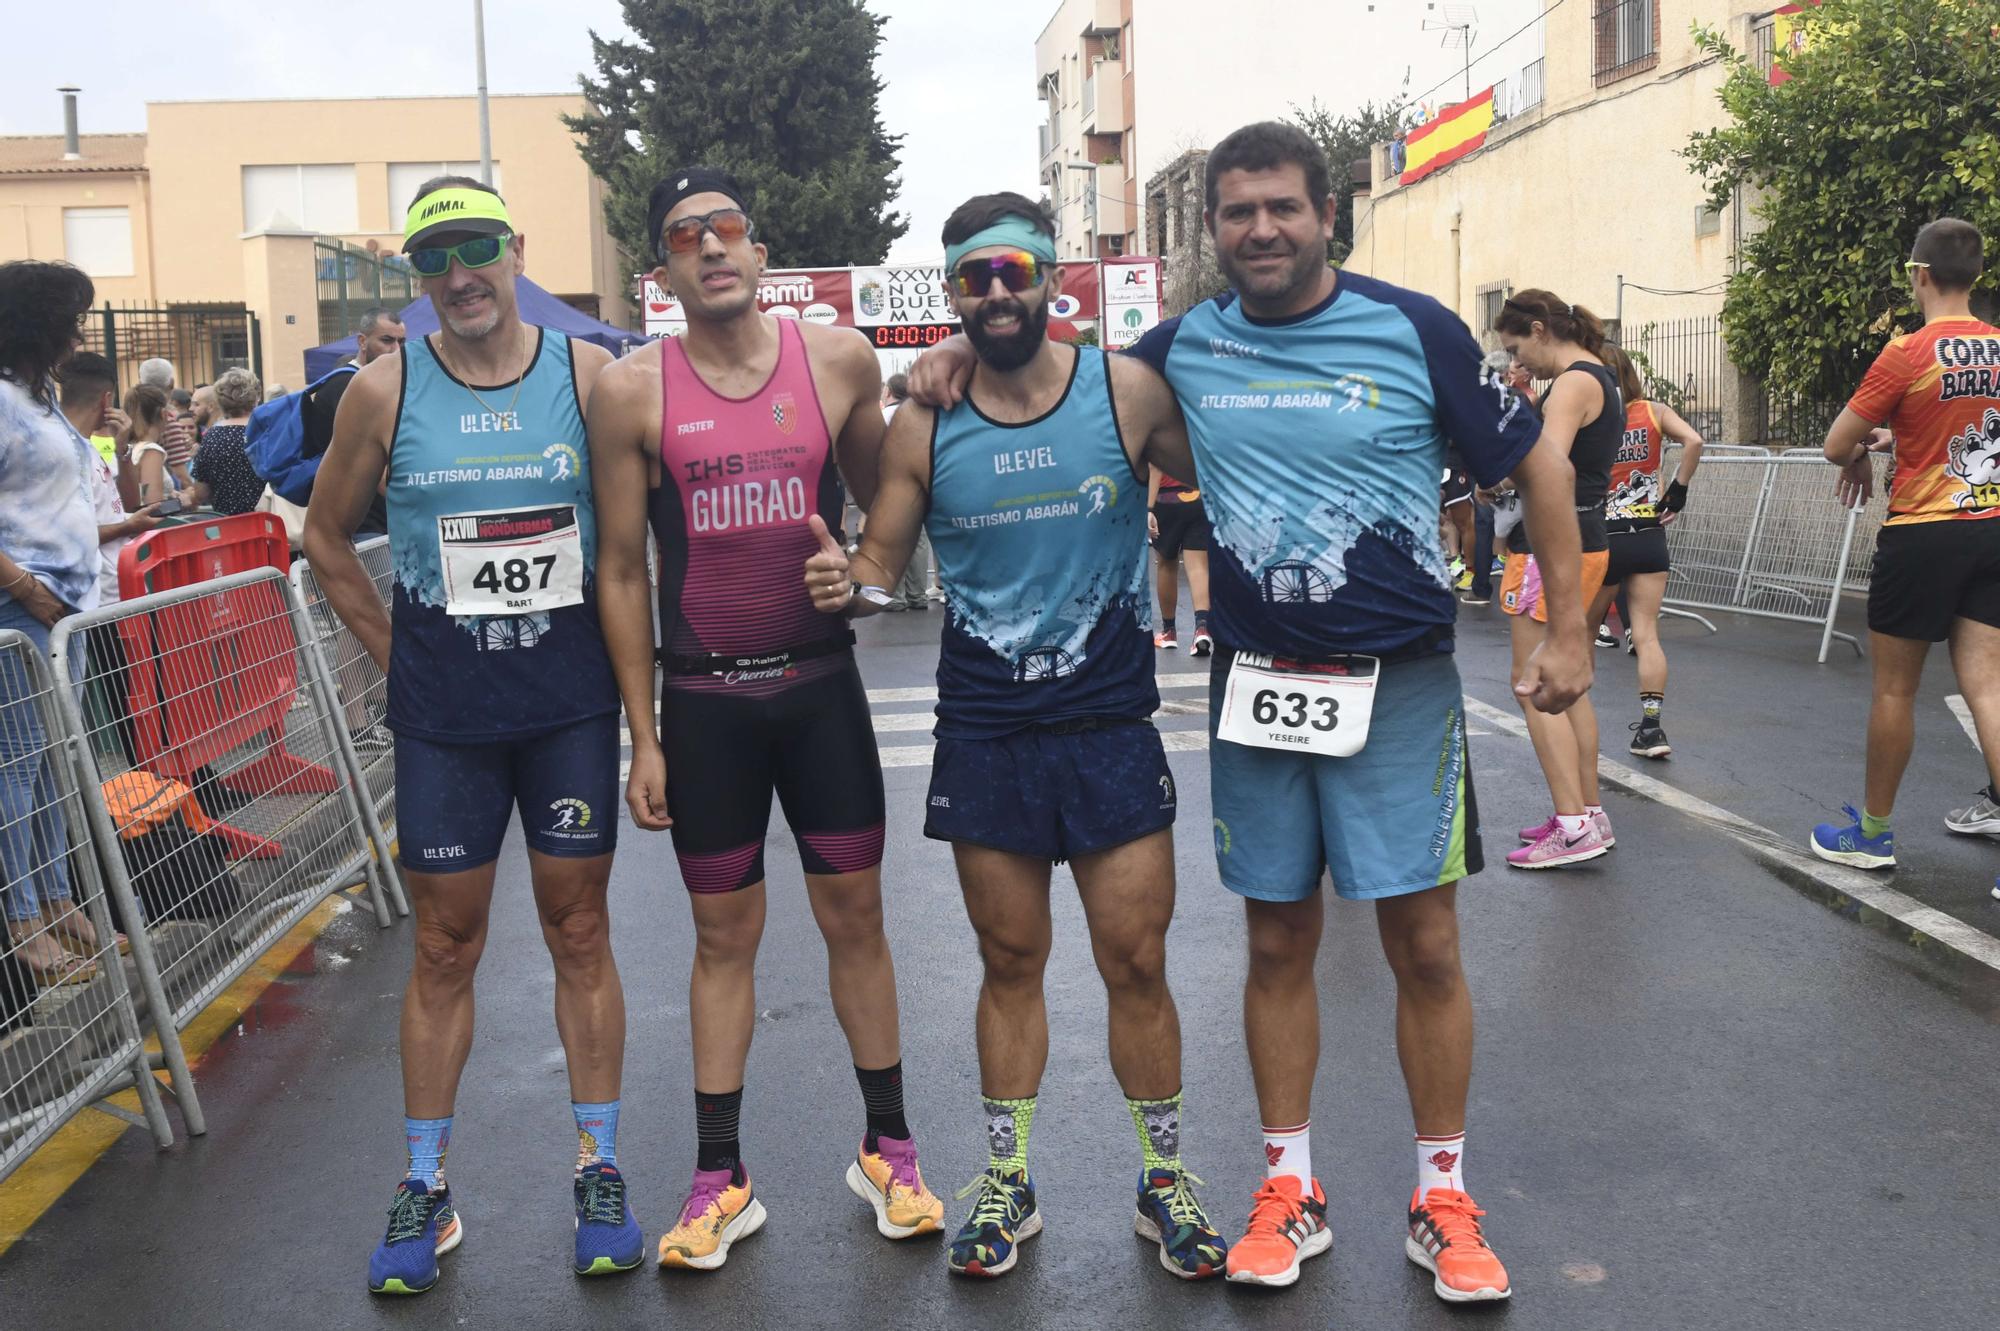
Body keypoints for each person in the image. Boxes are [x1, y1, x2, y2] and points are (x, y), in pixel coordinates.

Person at [910, 121, 1591, 1304]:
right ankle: (1288, 1188)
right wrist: (944, 365)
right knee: (1276, 942)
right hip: (1259, 689)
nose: (1259, 229)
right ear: (1213, 231)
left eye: (1281, 207)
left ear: (1327, 213)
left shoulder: (1412, 326)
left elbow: (1535, 462)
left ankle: (1441, 1196)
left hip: (1399, 688)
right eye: (1236, 212)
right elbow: (1059, 381)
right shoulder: (1179, 346)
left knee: (1422, 944)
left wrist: (1573, 627)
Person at [803, 192, 1226, 1280]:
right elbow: (878, 570)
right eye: (973, 278)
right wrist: (839, 583)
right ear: (949, 292)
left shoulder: (1123, 392)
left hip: (1109, 726)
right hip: (988, 728)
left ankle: (1163, 1180)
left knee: (1135, 961)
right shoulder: (925, 421)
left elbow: (1235, 464)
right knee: (1009, 961)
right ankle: (1007, 1181)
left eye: (1015, 271)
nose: (996, 292)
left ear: (1051, 279)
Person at [584, 166, 937, 1272]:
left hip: (819, 688)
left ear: (758, 245)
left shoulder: (833, 357)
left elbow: (896, 488)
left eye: (727, 228)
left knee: (855, 921)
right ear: (665, 269)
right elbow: (621, 571)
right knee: (720, 939)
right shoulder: (632, 392)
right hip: (705, 702)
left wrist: (870, 572)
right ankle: (718, 1174)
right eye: (686, 236)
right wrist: (642, 735)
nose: (712, 247)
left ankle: (890, 1148)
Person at [303, 175, 641, 1293]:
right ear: (418, 278)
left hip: (567, 707)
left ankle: (597, 1166)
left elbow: (628, 547)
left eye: (476, 249)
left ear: (515, 250)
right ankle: (424, 1185)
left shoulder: (587, 375)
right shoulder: (381, 392)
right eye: (434, 259)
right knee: (445, 945)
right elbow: (326, 539)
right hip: (448, 720)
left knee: (577, 928)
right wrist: (405, 662)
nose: (458, 275)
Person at [1811, 218, 2000, 872]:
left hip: (1923, 532)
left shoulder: (1907, 352)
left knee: (1895, 690)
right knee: (1991, 689)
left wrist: (1864, 448)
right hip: (1992, 526)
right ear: (1975, 277)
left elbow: (1837, 443)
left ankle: (1873, 833)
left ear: (1919, 275)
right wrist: (1902, 438)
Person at [0, 261, 113, 985]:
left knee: (48, 764)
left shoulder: (36, 398)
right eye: (70, 320)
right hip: (22, 610)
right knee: (17, 763)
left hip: (62, 610)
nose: (78, 334)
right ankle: (21, 922)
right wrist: (27, 589)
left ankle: (53, 898)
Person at [1492, 289, 1621, 869]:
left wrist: (1498, 473)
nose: (1518, 363)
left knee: (1532, 684)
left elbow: (1548, 467)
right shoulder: (1600, 376)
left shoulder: (1571, 384)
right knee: (1569, 683)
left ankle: (1573, 824)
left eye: (1518, 348)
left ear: (1540, 330)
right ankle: (1585, 813)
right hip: (1586, 536)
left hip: (1553, 544)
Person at [1592, 347, 1702, 759]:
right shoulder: (1653, 411)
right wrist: (1679, 490)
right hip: (1648, 532)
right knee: (1646, 634)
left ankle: (1573, 725)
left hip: (1604, 534)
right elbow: (1694, 440)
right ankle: (1652, 728)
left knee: (1584, 635)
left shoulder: (1592, 416)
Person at [58, 352, 162, 762]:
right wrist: (126, 528)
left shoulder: (93, 447)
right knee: (127, 698)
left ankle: (162, 789)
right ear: (106, 399)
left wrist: (120, 451)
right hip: (98, 596)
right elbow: (76, 532)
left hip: (120, 586)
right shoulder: (67, 451)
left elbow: (128, 503)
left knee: (143, 693)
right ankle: (145, 793)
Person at [1148, 462, 1212, 654]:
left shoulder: (1162, 432)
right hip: (1198, 495)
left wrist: (1149, 508)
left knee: (1166, 565)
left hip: (1166, 500)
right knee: (1198, 567)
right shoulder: (1196, 430)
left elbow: (1155, 468)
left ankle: (1169, 632)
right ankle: (1202, 629)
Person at [881, 373, 932, 611]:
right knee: (919, 541)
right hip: (922, 480)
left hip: (893, 484)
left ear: (889, 391)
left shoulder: (884, 416)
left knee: (893, 538)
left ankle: (896, 597)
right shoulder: (919, 415)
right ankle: (918, 595)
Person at [189, 367, 266, 516]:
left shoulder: (212, 437)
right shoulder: (266, 432)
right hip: (266, 523)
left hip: (228, 526)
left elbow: (200, 493)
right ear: (256, 398)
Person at [125, 384, 197, 508]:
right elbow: (154, 506)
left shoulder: (131, 446)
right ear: (164, 414)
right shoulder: (151, 451)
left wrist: (171, 495)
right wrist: (184, 500)